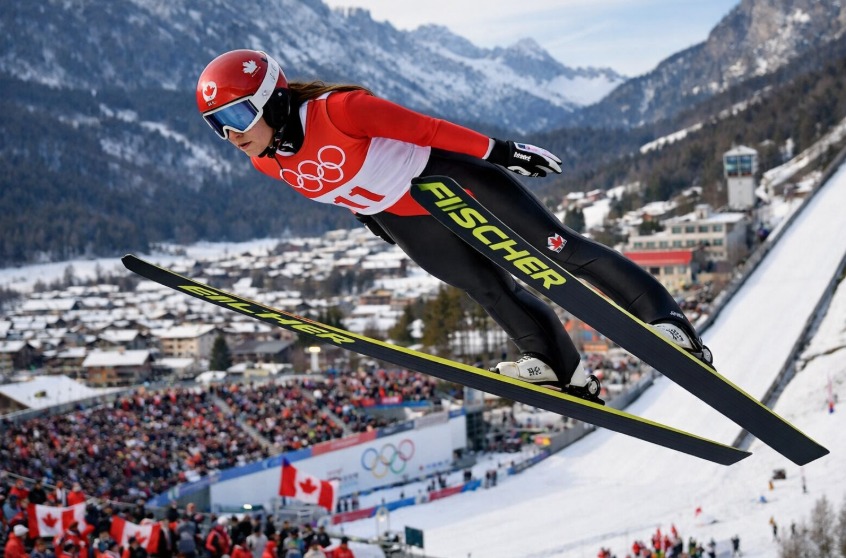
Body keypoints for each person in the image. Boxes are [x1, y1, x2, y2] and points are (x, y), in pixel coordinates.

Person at [195, 49, 712, 398]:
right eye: (218, 127)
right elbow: (342, 185)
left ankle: (668, 323)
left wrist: (504, 152)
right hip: (402, 214)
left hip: (450, 178)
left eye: (238, 118)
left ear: (274, 99)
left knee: (558, 254)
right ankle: (556, 365)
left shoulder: (341, 110)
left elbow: (426, 129)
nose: (231, 135)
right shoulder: (265, 159)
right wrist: (371, 217)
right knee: (485, 288)